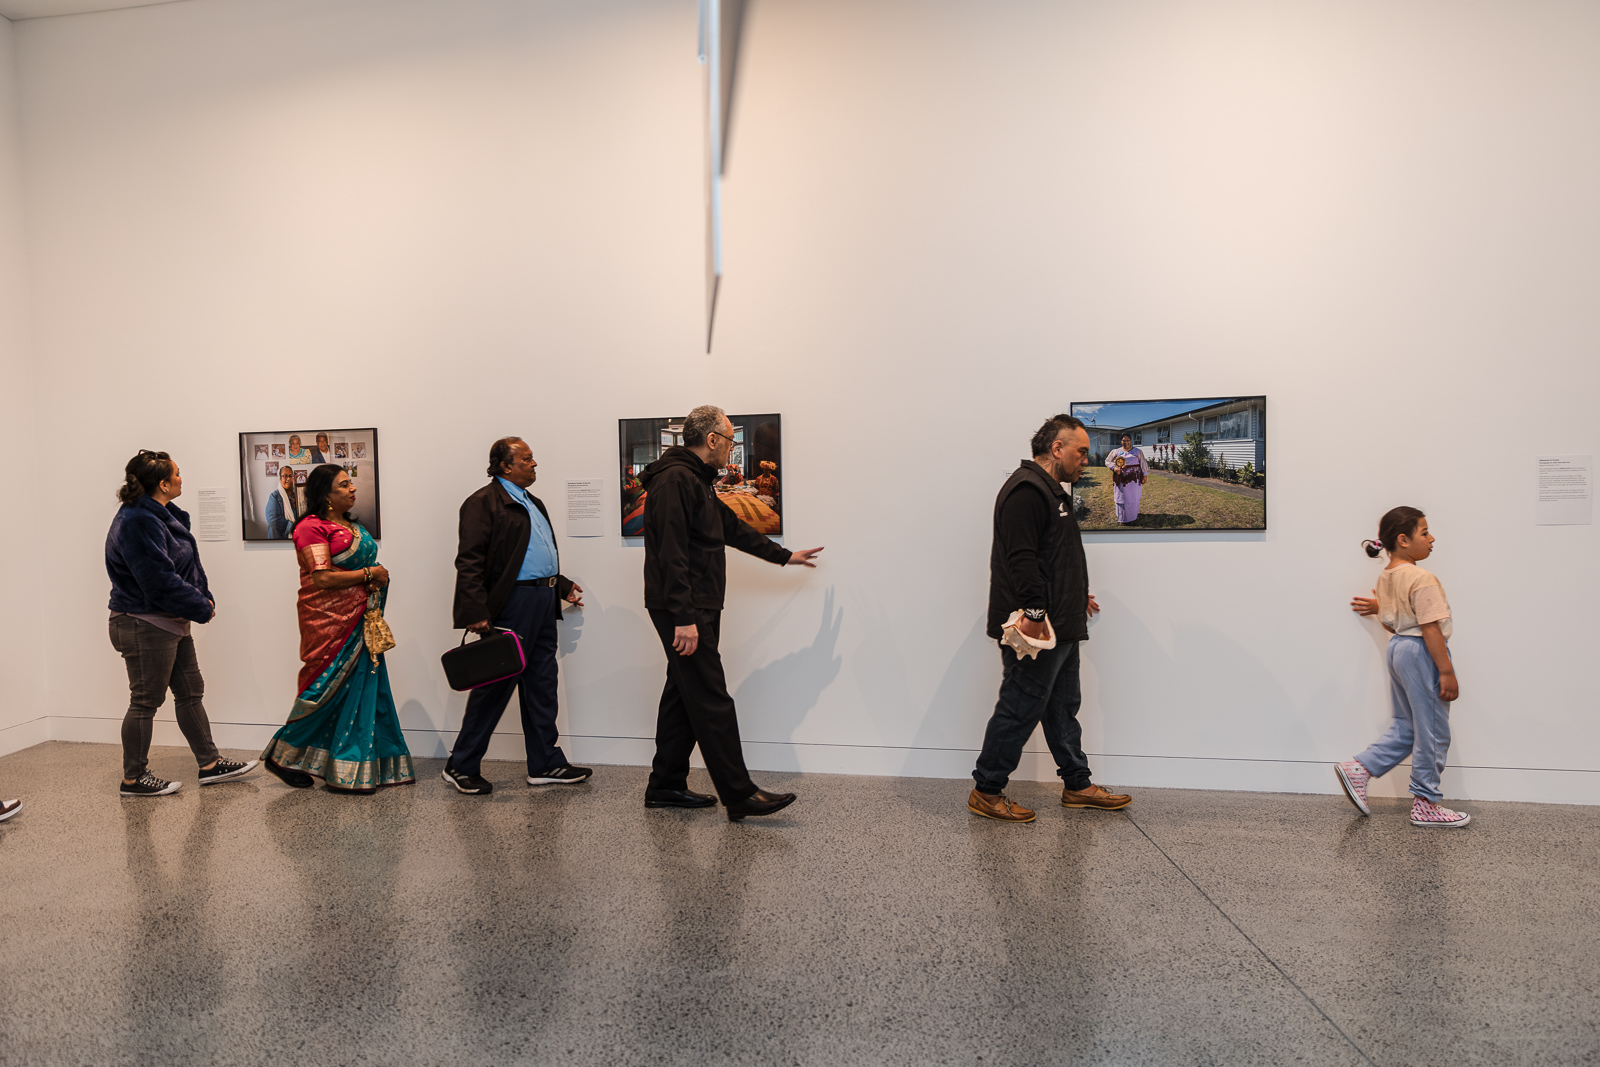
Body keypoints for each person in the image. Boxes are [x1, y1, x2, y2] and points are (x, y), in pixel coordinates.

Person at [640, 405, 823, 820]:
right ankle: (739, 794)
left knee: (682, 694)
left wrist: (784, 556)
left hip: (698, 602)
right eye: (729, 440)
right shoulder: (675, 480)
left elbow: (732, 528)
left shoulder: (696, 480)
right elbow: (670, 553)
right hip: (684, 606)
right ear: (712, 440)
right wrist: (684, 617)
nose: (731, 448)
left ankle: (665, 784)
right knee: (711, 697)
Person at [969, 415, 1131, 822]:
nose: (1086, 460)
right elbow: (1021, 559)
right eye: (1081, 452)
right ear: (1056, 448)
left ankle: (1077, 785)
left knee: (1062, 708)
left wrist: (1074, 593)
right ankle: (986, 791)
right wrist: (1036, 612)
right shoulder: (1027, 491)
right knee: (1019, 708)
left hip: (1061, 621)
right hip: (1039, 628)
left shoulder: (1050, 491)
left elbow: (1051, 556)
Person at [107, 450, 259, 796]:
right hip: (144, 623)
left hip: (168, 622)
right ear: (162, 484)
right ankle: (133, 779)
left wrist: (202, 598)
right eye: (176, 474)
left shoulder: (157, 516)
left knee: (190, 692)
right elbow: (158, 580)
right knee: (145, 701)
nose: (180, 478)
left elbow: (184, 568)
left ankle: (210, 765)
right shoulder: (137, 521)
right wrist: (200, 606)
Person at [442, 437, 589, 794]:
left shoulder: (532, 502)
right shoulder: (482, 503)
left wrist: (560, 585)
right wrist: (475, 610)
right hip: (513, 603)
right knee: (494, 687)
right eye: (527, 458)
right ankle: (461, 765)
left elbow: (530, 554)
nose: (534, 463)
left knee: (542, 685)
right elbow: (470, 560)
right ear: (505, 466)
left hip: (542, 600)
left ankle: (545, 763)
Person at [260, 464, 415, 794]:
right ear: (326, 495)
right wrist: (370, 575)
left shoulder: (354, 527)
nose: (352, 489)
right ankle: (282, 755)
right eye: (344, 485)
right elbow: (322, 578)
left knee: (362, 689)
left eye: (351, 483)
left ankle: (350, 766)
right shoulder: (310, 528)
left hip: (362, 619)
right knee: (322, 690)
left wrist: (372, 580)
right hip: (328, 620)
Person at [1338, 508, 1470, 828]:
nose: (1431, 538)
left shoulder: (1387, 576)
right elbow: (1429, 627)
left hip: (1398, 649)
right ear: (1403, 540)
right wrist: (1446, 672)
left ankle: (1359, 768)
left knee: (1408, 727)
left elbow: (1392, 623)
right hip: (1421, 651)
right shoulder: (1422, 578)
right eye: (1424, 532)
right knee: (1433, 731)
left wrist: (1379, 607)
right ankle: (1426, 803)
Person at [1105, 433, 1148, 524]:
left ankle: (1133, 516)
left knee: (1133, 496)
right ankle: (1123, 517)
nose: (1126, 442)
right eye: (1124, 440)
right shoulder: (1116, 451)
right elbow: (1107, 461)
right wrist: (1114, 468)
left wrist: (1144, 475)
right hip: (1121, 479)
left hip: (1134, 479)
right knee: (1122, 497)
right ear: (1121, 441)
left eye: (1128, 440)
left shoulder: (1137, 451)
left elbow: (1143, 463)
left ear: (1131, 441)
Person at [266, 465, 300, 539]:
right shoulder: (274, 496)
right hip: (279, 539)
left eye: (290, 476)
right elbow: (272, 519)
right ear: (280, 478)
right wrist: (292, 526)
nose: (288, 479)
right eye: (285, 476)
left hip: (294, 538)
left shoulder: (296, 496)